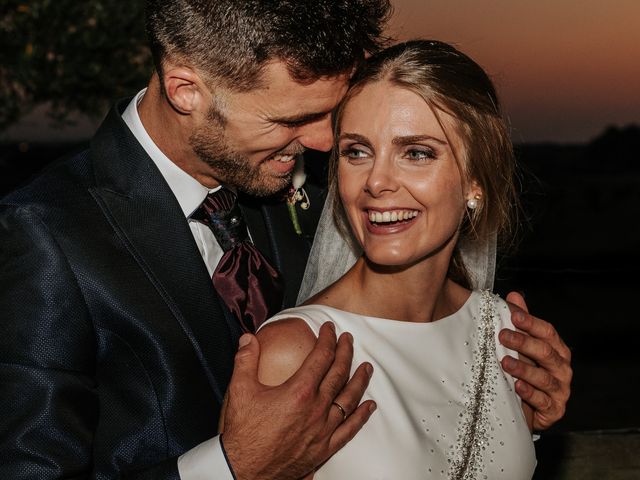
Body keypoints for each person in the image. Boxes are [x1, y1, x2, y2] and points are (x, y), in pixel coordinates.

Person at [0, 1, 570, 479]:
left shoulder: (324, 189)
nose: (325, 141)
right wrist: (232, 468)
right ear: (185, 89)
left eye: (331, 116)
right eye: (292, 119)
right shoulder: (44, 232)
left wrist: (510, 413)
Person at [252, 39, 564, 479]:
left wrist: (535, 420)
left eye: (416, 153)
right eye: (356, 152)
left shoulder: (504, 334)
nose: (376, 181)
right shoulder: (295, 354)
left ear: (476, 180)